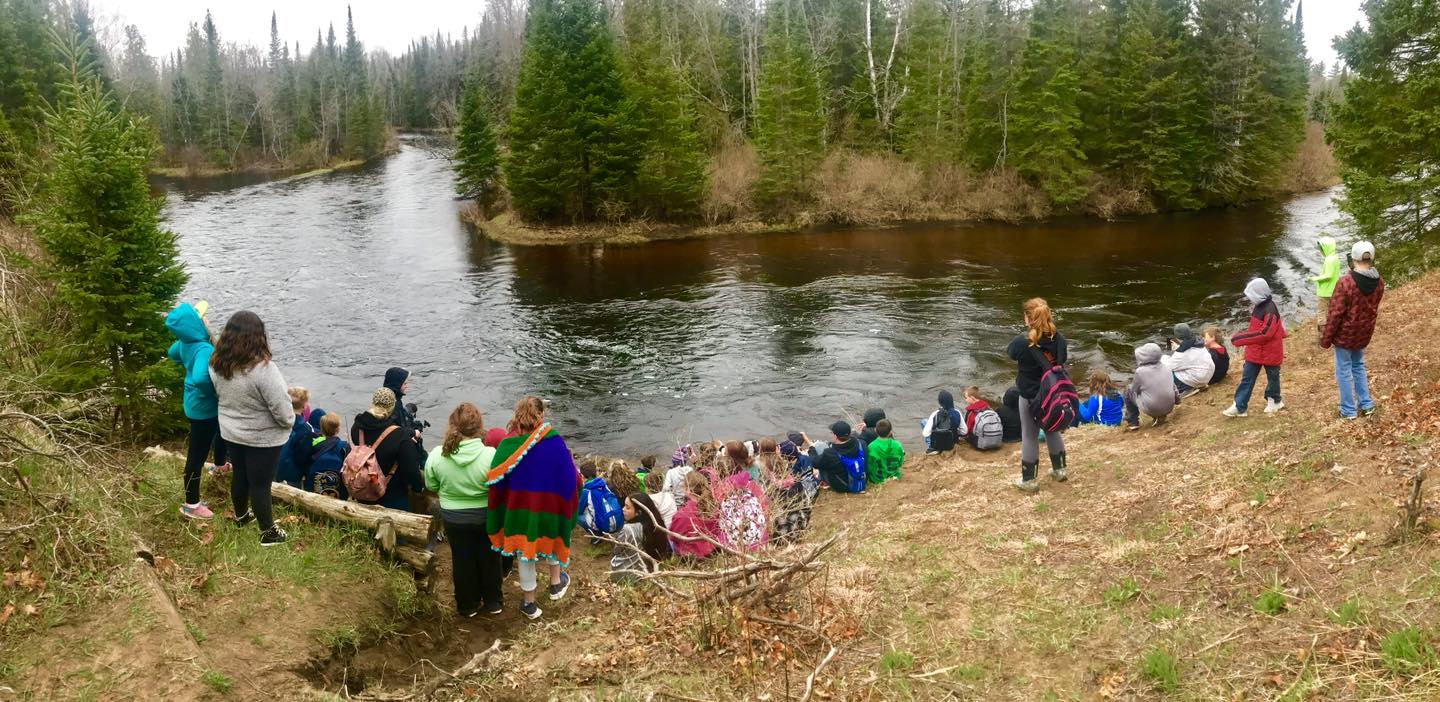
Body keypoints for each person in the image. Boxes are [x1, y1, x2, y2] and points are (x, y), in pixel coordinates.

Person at [485, 396, 582, 620]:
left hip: (519, 511)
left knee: (525, 554)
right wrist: (568, 497)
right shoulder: (554, 441)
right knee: (553, 537)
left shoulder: (507, 446)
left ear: (517, 416)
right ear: (541, 415)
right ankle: (556, 584)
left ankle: (529, 604)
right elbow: (571, 478)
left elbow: (494, 480)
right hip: (549, 508)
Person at [208, 310, 294, 546]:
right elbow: (283, 411)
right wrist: (289, 423)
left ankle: (241, 516)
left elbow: (220, 394)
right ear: (258, 336)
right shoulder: (264, 369)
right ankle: (268, 533)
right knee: (260, 484)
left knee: (241, 476)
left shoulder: (216, 364)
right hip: (262, 438)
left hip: (231, 432)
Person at [424, 403, 503, 617]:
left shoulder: (438, 454)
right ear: (479, 426)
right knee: (489, 558)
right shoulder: (490, 454)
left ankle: (467, 606)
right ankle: (493, 602)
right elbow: (498, 485)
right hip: (485, 514)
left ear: (452, 424)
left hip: (454, 517)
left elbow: (431, 486)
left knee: (462, 559)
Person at [166, 301, 226, 520]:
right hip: (204, 408)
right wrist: (214, 394)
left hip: (192, 404)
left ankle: (220, 466)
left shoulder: (187, 343)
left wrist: (186, 338)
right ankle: (191, 504)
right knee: (196, 456)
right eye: (201, 318)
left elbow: (171, 353)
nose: (206, 319)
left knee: (221, 432)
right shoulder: (204, 348)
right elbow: (202, 378)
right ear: (195, 325)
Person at [1006, 298, 1069, 492]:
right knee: (1052, 429)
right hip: (1053, 395)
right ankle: (1060, 470)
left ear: (1028, 318)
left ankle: (1029, 481)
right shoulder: (1059, 339)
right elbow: (1062, 360)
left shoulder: (1021, 342)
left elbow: (1011, 354)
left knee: (1029, 435)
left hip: (1029, 395)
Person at [1321, 241, 1385, 420]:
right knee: (1358, 366)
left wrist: (1325, 339)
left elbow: (1335, 314)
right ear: (1371, 258)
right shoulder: (1379, 282)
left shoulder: (1345, 282)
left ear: (1353, 258)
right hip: (1364, 333)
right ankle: (1366, 404)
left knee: (1343, 370)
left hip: (1345, 336)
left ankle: (1348, 410)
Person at [350, 388, 423, 511]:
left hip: (363, 492)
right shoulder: (400, 435)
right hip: (392, 496)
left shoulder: (357, 427)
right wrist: (418, 487)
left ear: (373, 403)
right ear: (392, 407)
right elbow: (411, 469)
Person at [1224, 278, 1287, 418]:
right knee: (1247, 378)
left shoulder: (1270, 309)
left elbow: (1266, 333)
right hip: (1255, 351)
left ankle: (1275, 400)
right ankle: (1239, 406)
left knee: (1273, 378)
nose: (1250, 299)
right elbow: (1260, 328)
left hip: (1271, 351)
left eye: (1251, 295)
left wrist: (1240, 338)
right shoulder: (1259, 306)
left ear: (1259, 294)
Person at [610, 493, 673, 583]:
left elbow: (617, 551)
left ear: (638, 513)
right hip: (649, 570)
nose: (623, 509)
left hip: (626, 574)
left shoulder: (627, 529)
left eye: (627, 507)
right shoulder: (656, 523)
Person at [1124, 343, 1180, 431]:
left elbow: (1134, 390)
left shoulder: (1140, 372)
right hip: (1169, 407)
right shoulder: (1167, 367)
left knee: (1128, 389)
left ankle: (1133, 422)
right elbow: (1173, 386)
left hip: (1152, 409)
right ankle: (1162, 415)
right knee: (1160, 387)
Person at [670, 471, 719, 559]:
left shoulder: (683, 514)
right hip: (711, 549)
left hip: (691, 555)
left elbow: (673, 536)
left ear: (688, 490)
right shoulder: (714, 508)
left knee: (668, 541)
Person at [276, 386, 317, 488]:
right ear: (304, 407)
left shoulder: (277, 420)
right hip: (292, 476)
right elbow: (302, 458)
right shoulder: (305, 429)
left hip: (272, 469)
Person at [808, 421, 866, 493]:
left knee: (821, 455)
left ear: (835, 436)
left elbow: (814, 463)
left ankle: (822, 481)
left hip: (843, 487)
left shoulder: (830, 453)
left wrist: (811, 449)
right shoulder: (861, 443)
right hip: (860, 480)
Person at [1162, 323, 1215, 398]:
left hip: (1198, 379)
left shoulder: (1182, 354)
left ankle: (1185, 390)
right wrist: (1178, 348)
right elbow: (1190, 357)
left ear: (1177, 338)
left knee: (1167, 372)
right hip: (1208, 375)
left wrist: (1164, 357)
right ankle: (1198, 385)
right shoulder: (1198, 342)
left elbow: (1168, 367)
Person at [306, 413, 351, 497]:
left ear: (321, 429)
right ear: (338, 429)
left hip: (315, 486)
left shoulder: (314, 443)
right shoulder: (344, 446)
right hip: (338, 489)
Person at [1311, 236, 1342, 334]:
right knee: (1331, 310)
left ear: (1326, 248)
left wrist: (1315, 278)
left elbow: (1328, 275)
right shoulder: (1335, 258)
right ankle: (1333, 329)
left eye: (1321, 248)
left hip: (1324, 291)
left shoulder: (1329, 259)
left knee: (1321, 312)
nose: (1321, 251)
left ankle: (1323, 335)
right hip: (1333, 290)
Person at [865, 419, 903, 485]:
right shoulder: (897, 445)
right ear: (890, 432)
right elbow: (900, 462)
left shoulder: (871, 446)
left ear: (875, 430)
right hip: (895, 477)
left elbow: (869, 466)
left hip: (877, 480)